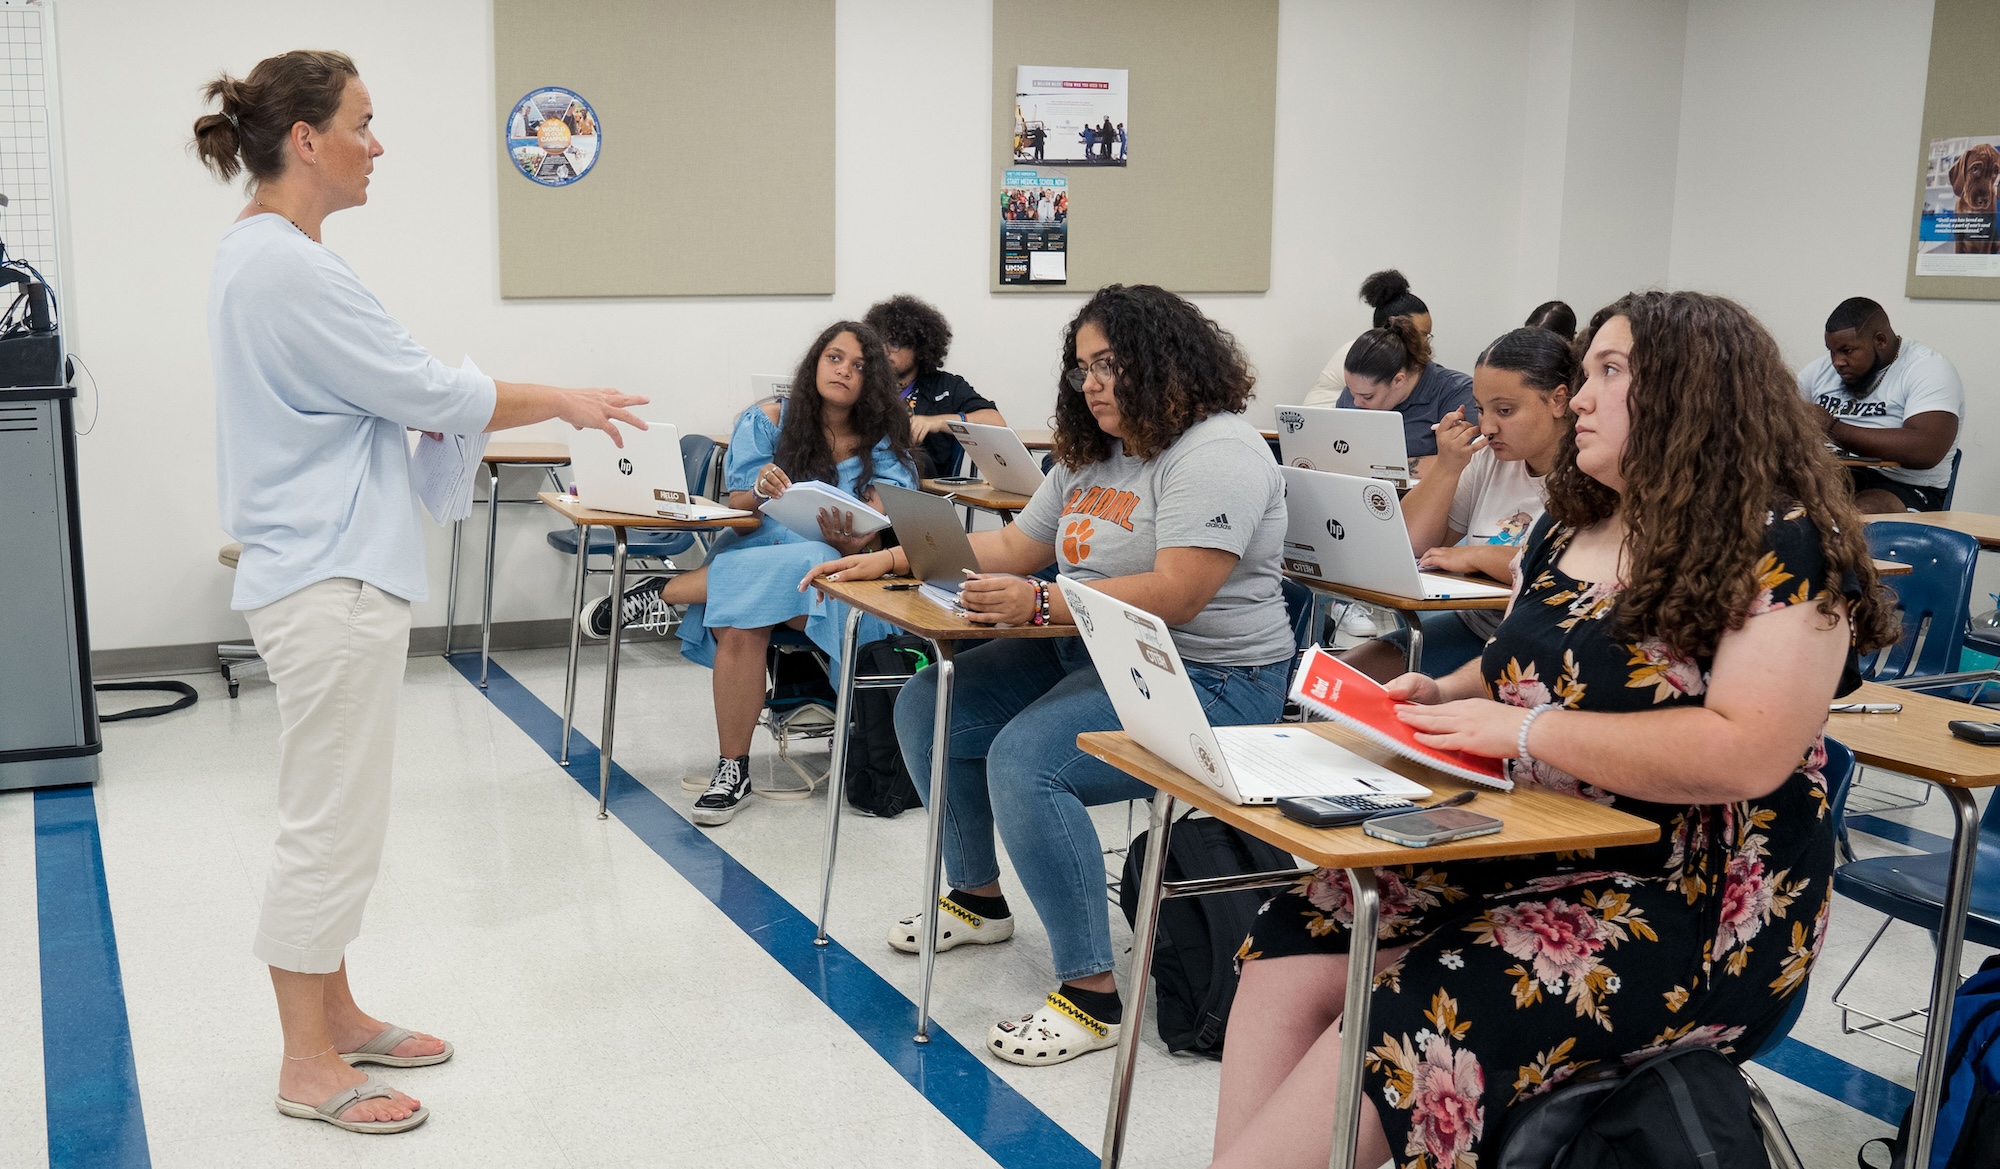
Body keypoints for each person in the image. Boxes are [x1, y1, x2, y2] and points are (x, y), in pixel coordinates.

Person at [1210, 290, 1895, 1169]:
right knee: (1297, 929)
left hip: (1694, 900)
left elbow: (1748, 748)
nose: (1578, 397)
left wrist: (1526, 734)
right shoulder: (1571, 521)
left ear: (1694, 394)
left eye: (1611, 372)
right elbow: (1518, 669)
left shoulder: (1786, 542)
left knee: (1421, 1001)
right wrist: (1438, 689)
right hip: (1531, 844)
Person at [195, 50, 647, 1134]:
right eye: (362, 121)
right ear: (305, 138)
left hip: (325, 567)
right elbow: (424, 387)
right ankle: (307, 1062)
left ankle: (336, 1009)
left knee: (340, 816)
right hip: (325, 574)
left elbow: (396, 389)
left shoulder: (269, 255)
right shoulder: (284, 267)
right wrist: (566, 400)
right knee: (326, 823)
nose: (377, 142)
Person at [801, 284, 1293, 1067]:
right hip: (1094, 647)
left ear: (1164, 362)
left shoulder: (1217, 451)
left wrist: (1043, 602)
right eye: (1081, 368)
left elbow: (1179, 593)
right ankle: (978, 897)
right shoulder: (1099, 449)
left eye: (1108, 365)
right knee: (928, 704)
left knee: (1026, 764)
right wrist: (890, 556)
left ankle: (1091, 996)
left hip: (1206, 677)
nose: (1091, 383)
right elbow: (1013, 548)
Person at [578, 322, 917, 826]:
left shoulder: (884, 442)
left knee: (811, 558)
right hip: (757, 550)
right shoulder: (768, 420)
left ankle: (667, 591)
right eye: (834, 358)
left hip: (832, 572)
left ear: (874, 384)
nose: (844, 371)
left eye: (860, 366)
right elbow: (741, 507)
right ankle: (731, 770)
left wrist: (846, 539)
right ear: (814, 363)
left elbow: (871, 531)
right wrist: (761, 488)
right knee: (745, 618)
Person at [1341, 327, 1576, 682]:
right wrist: (1448, 466)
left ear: (1558, 401)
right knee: (1346, 676)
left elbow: (1558, 567)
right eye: (1481, 409)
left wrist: (1477, 556)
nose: (1488, 426)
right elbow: (1408, 545)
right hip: (1479, 626)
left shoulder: (1590, 471)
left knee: (1409, 698)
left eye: (1505, 410)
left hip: (1548, 641)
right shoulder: (1489, 458)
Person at [1798, 296, 1963, 514]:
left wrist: (1832, 428)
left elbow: (1925, 450)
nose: (1836, 361)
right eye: (1831, 351)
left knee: (1858, 514)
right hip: (1834, 476)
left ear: (1880, 340)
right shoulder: (1818, 372)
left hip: (1905, 486)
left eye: (1847, 351)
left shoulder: (1928, 369)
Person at [1303, 315, 1475, 469]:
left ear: (1398, 380)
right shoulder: (1354, 394)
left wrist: (1380, 468)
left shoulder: (1456, 392)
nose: (1355, 402)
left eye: (1367, 396)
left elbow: (1471, 462)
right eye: (1351, 391)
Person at [862, 294, 1006, 478]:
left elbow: (996, 422)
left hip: (924, 489)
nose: (884, 350)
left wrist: (937, 422)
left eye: (895, 343)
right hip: (866, 482)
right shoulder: (863, 383)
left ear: (919, 347)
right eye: (878, 341)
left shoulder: (946, 387)